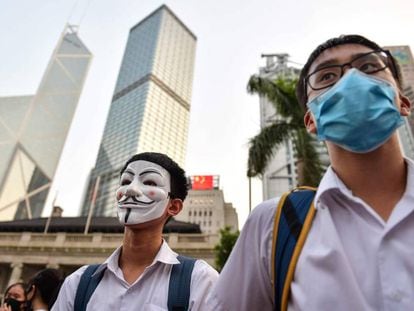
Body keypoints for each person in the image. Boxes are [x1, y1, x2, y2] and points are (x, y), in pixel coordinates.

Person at [209, 35, 414, 310]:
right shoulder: (272, 224)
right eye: (328, 76)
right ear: (311, 120)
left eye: (368, 68)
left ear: (403, 102)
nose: (351, 79)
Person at [52, 152, 218, 310]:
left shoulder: (199, 281)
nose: (131, 190)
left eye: (150, 183)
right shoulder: (77, 283)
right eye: (125, 182)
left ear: (174, 206)